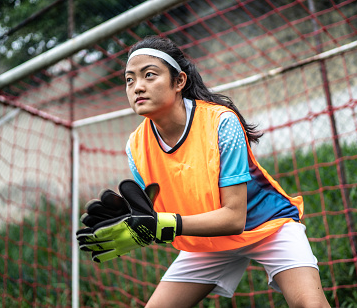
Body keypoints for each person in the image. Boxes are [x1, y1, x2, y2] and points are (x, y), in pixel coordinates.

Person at [115, 35, 331, 308]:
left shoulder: (221, 122)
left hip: (266, 226)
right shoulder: (135, 146)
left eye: (149, 75)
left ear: (179, 81)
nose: (138, 87)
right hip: (206, 239)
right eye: (130, 80)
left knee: (311, 305)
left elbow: (233, 218)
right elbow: (158, 219)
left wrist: (164, 225)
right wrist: (136, 229)